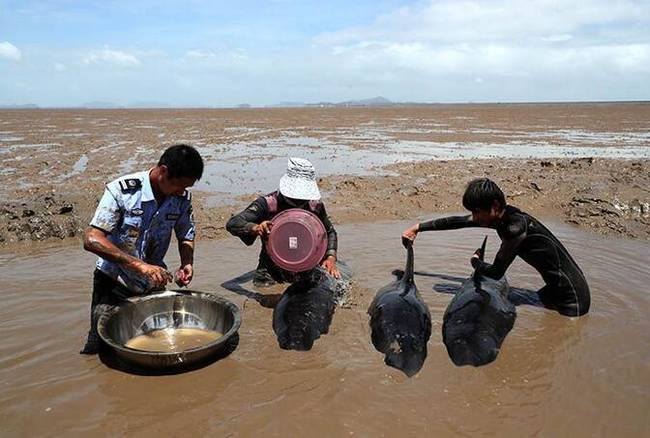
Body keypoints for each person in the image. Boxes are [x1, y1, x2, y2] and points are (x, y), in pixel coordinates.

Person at [402, 178, 590, 317]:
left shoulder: (514, 229)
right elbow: (459, 221)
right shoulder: (504, 216)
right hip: (555, 289)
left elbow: (495, 273)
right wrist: (418, 227)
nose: (474, 218)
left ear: (495, 205)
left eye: (476, 212)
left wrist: (476, 262)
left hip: (573, 301)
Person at [80, 144, 204, 354]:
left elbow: (186, 234)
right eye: (179, 185)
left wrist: (187, 263)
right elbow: (91, 238)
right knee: (100, 345)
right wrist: (139, 265)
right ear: (163, 171)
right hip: (113, 281)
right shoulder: (122, 191)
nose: (181, 192)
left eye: (187, 188)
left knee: (156, 341)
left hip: (153, 281)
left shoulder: (181, 199)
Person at [226, 157, 340, 287]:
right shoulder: (268, 204)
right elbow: (233, 223)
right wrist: (256, 228)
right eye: (294, 198)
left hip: (305, 269)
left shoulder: (314, 206)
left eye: (301, 199)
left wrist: (330, 257)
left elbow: (330, 232)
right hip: (270, 273)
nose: (298, 202)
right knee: (264, 296)